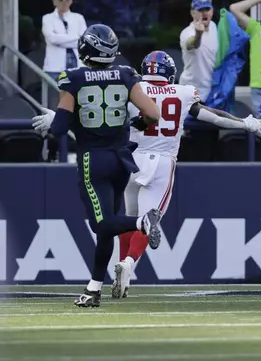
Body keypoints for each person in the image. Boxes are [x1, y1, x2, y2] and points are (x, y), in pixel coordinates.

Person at [111, 51, 261, 299]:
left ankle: (123, 270)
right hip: (161, 162)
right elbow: (213, 116)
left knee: (130, 219)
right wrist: (243, 122)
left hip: (130, 159)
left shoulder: (133, 88)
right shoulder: (182, 93)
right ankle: (128, 263)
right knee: (149, 220)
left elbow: (107, 116)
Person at [30, 24, 162, 308]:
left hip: (94, 159)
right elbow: (152, 113)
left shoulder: (74, 78)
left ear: (85, 49)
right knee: (107, 228)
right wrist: (129, 124)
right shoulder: (126, 74)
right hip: (122, 158)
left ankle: (142, 221)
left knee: (101, 223)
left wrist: (55, 120)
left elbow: (61, 129)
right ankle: (93, 289)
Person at [41, 0, 87, 94]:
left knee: (77, 100)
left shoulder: (78, 18)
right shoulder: (47, 18)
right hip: (54, 68)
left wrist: (60, 39)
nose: (64, 0)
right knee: (53, 102)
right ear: (54, 1)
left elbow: (84, 40)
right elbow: (52, 39)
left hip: (77, 66)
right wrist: (75, 38)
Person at [179, 0, 220, 103]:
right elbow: (192, 44)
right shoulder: (187, 32)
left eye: (207, 9)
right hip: (191, 91)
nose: (204, 13)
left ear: (212, 11)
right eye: (200, 10)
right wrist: (198, 34)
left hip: (211, 91)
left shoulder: (214, 27)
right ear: (193, 13)